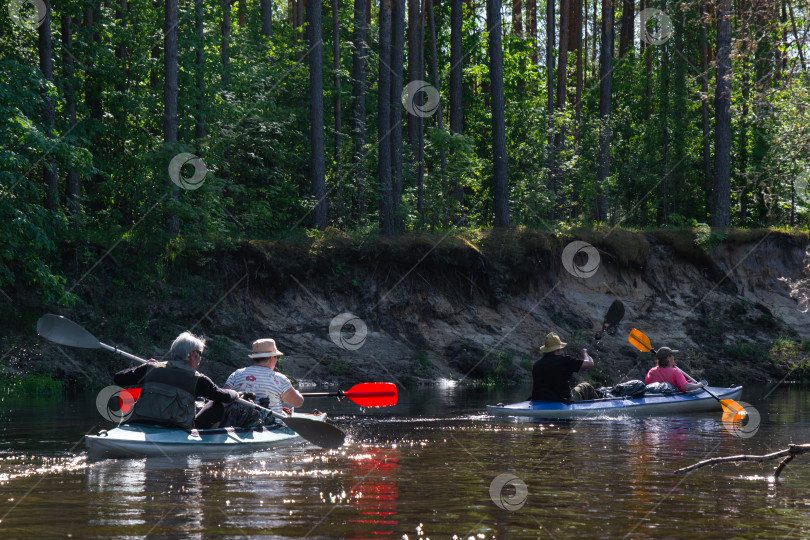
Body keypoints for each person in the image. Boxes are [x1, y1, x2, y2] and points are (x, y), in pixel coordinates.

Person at [113, 331, 239, 429]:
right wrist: (235, 393)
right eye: (200, 353)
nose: (200, 358)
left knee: (201, 400)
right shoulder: (199, 379)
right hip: (175, 428)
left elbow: (119, 378)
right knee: (216, 403)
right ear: (192, 354)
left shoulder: (150, 369)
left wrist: (143, 366)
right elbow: (225, 397)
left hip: (141, 422)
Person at [530, 332, 599, 402]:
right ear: (558, 349)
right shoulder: (564, 361)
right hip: (561, 400)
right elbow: (590, 363)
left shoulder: (537, 365)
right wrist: (585, 353)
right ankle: (599, 405)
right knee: (586, 386)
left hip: (538, 399)